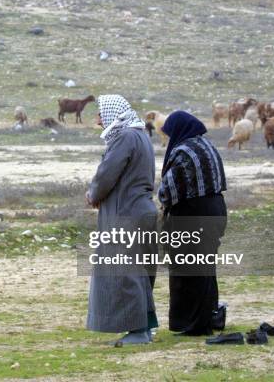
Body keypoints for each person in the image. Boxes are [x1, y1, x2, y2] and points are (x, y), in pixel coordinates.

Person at [86, 95, 158, 345]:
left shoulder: (125, 137)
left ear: (111, 113)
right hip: (141, 210)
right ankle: (145, 328)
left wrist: (93, 194)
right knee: (139, 271)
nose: (97, 118)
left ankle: (138, 331)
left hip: (126, 212)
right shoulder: (140, 135)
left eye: (99, 112)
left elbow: (107, 173)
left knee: (124, 271)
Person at [158, 110, 227, 336]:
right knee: (206, 267)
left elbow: (167, 191)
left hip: (192, 214)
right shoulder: (207, 146)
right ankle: (210, 317)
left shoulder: (183, 152)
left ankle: (190, 323)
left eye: (168, 134)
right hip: (216, 209)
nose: (168, 139)